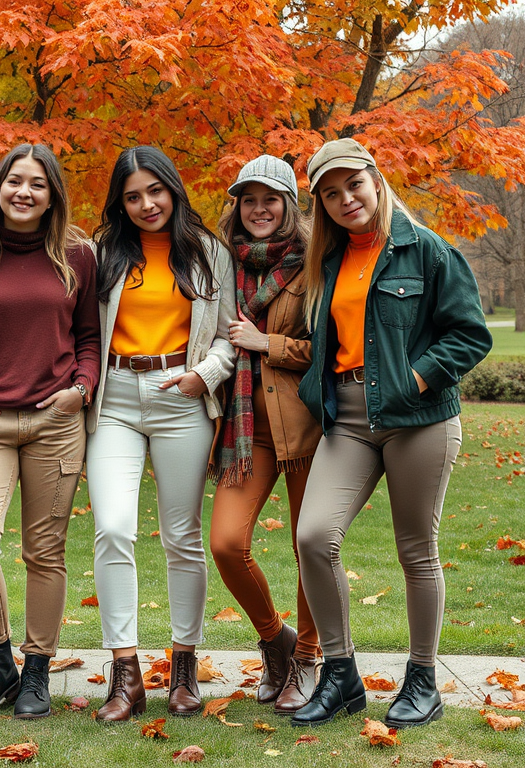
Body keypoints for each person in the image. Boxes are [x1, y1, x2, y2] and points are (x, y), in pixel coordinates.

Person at [292, 138, 492, 728]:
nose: (344, 198)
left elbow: (470, 335)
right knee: (313, 537)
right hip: (349, 418)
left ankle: (423, 680)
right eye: (330, 193)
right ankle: (341, 674)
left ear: (376, 181)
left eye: (352, 184)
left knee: (415, 550)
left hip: (419, 418)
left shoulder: (427, 249)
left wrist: (416, 378)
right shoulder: (327, 261)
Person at [0, 143, 101, 720]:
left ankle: (36, 670)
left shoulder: (78, 256)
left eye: (36, 183)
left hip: (56, 421)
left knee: (44, 552)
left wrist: (80, 389)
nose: (24, 192)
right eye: (14, 182)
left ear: (52, 193)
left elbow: (88, 335)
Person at [85, 146, 236, 722]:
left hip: (182, 396)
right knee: (113, 527)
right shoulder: (103, 254)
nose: (146, 204)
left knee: (182, 538)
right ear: (119, 204)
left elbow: (228, 333)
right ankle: (125, 676)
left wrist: (205, 375)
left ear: (173, 189)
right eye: (132, 196)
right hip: (117, 398)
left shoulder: (207, 254)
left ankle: (183, 669)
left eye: (155, 191)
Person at [209, 155, 321, 715]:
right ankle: (273, 639)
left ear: (289, 206)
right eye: (248, 200)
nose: (258, 210)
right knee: (227, 543)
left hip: (304, 428)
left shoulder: (315, 263)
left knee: (310, 549)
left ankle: (307, 657)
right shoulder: (219, 267)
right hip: (244, 427)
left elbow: (330, 350)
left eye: (269, 199)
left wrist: (267, 345)